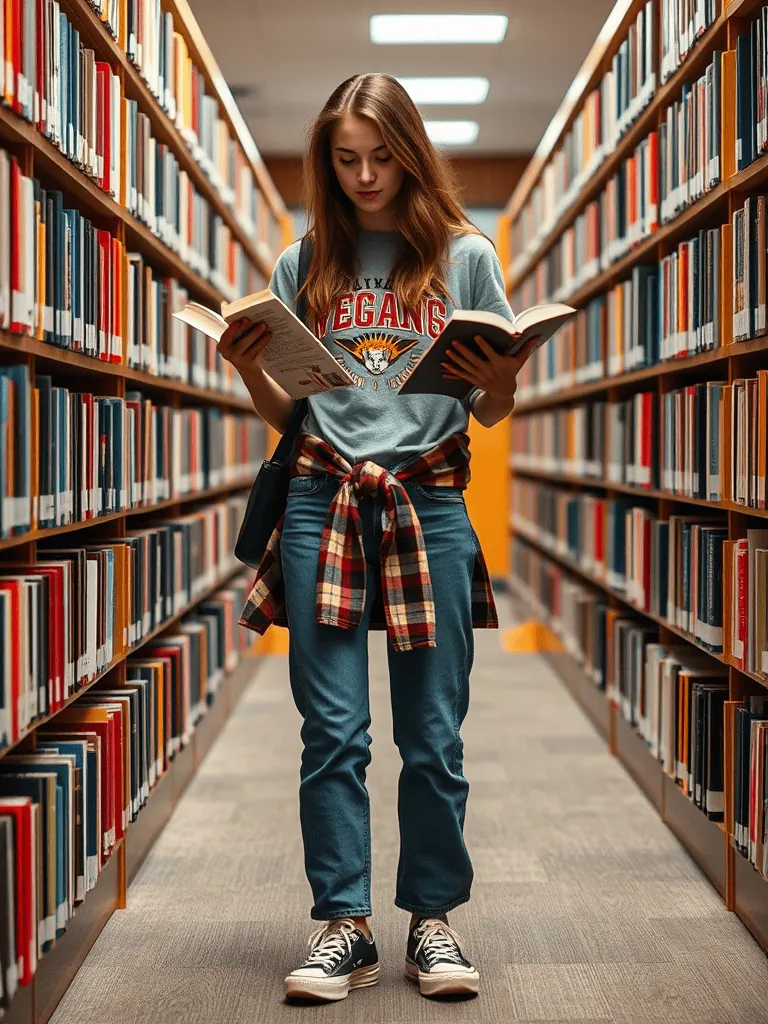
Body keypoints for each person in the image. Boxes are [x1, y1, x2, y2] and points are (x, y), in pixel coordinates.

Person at [218, 73, 536, 1003]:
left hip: (427, 503)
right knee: (333, 733)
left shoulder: (465, 258)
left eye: (382, 156)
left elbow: (491, 410)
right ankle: (343, 925)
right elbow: (292, 411)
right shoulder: (303, 262)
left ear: (412, 150)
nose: (365, 176)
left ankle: (433, 920)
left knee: (433, 734)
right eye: (347, 160)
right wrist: (248, 376)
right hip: (321, 499)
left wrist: (501, 376)